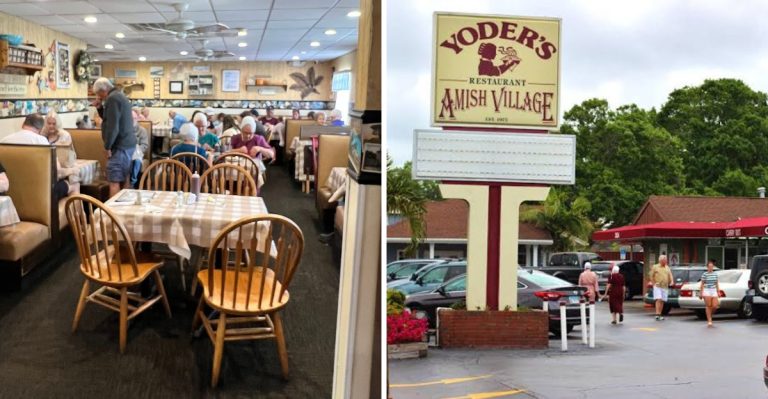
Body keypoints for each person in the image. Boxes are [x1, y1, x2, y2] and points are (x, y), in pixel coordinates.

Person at [0, 113, 76, 199]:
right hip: (40, 195)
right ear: (41, 128)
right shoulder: (41, 141)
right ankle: (77, 212)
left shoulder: (4, 140)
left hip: (11, 193)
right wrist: (71, 171)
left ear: (23, 124)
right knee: (74, 184)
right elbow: (56, 171)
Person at [94, 77, 136, 198]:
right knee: (124, 178)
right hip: (127, 144)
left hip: (120, 146)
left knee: (114, 181)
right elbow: (109, 119)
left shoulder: (112, 99)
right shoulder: (119, 96)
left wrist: (107, 146)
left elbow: (113, 127)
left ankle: (112, 215)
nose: (99, 97)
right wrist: (100, 108)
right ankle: (124, 211)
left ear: (103, 90)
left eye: (98, 94)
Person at [650, 255, 674, 321]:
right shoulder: (655, 267)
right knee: (659, 299)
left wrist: (672, 281)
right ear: (660, 260)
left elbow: (670, 275)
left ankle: (660, 314)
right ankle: (657, 314)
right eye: (665, 260)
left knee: (662, 300)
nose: (666, 261)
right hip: (658, 286)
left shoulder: (667, 267)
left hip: (665, 286)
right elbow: (651, 276)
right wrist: (654, 283)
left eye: (666, 259)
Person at [130, 110, 149, 188]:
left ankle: (133, 182)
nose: (132, 120)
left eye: (134, 118)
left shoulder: (142, 130)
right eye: (130, 118)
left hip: (137, 153)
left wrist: (135, 150)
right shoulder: (123, 130)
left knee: (136, 160)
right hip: (125, 153)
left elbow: (144, 145)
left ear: (137, 118)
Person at [699, 259, 720, 327]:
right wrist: (701, 293)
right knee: (709, 306)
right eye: (709, 267)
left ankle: (709, 315)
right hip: (707, 290)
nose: (711, 268)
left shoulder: (715, 274)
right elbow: (702, 284)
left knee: (715, 306)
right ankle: (709, 320)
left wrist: (718, 291)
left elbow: (716, 283)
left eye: (712, 266)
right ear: (707, 267)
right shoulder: (704, 274)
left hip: (713, 290)